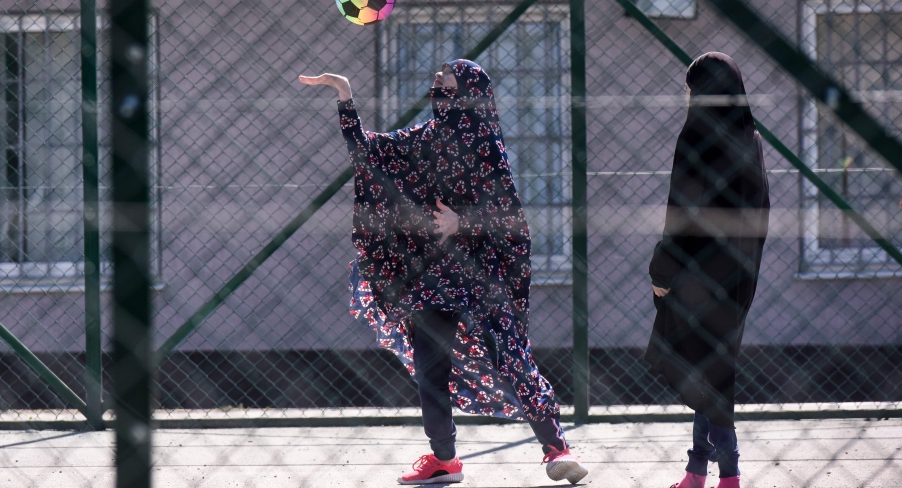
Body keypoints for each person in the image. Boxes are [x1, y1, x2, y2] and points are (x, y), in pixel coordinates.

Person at [299, 60, 588, 485]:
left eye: (449, 74)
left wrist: (462, 222)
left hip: (483, 271)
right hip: (433, 275)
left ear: (470, 89)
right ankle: (444, 460)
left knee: (510, 356)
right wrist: (345, 97)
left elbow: (509, 216)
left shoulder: (485, 142)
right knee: (429, 365)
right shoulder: (427, 136)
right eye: (439, 75)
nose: (439, 78)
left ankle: (556, 449)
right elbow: (369, 151)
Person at [645, 53, 770, 488]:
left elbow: (680, 210)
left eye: (689, 86)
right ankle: (698, 470)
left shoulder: (696, 136)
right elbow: (762, 209)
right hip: (737, 276)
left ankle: (729, 472)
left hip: (695, 276)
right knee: (715, 366)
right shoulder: (749, 137)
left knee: (707, 369)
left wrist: (662, 271)